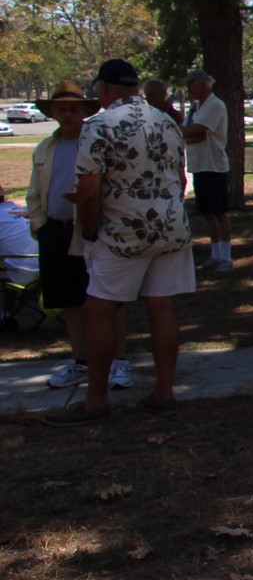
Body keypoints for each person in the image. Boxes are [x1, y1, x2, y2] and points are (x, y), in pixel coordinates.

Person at [45, 59, 195, 425]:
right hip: (170, 227)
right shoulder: (166, 121)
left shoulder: (98, 126)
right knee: (162, 308)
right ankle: (164, 393)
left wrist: (91, 230)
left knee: (99, 311)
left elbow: (90, 191)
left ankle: (96, 400)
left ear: (103, 89)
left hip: (123, 230)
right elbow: (181, 178)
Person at [25, 82, 133, 389]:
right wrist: (40, 225)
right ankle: (80, 361)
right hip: (55, 232)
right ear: (53, 113)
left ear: (85, 111)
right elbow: (34, 192)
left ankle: (120, 362)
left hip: (92, 231)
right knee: (69, 301)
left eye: (75, 109)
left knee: (108, 299)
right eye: (62, 109)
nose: (69, 114)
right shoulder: (45, 147)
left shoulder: (97, 140)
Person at [180, 69, 232, 273]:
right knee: (208, 213)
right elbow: (189, 131)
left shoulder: (215, 105)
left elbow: (197, 130)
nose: (188, 89)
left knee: (220, 213)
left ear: (203, 84)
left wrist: (187, 133)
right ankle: (215, 254)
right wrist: (189, 133)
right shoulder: (195, 108)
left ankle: (226, 257)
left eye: (191, 84)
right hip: (199, 165)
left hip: (214, 166)